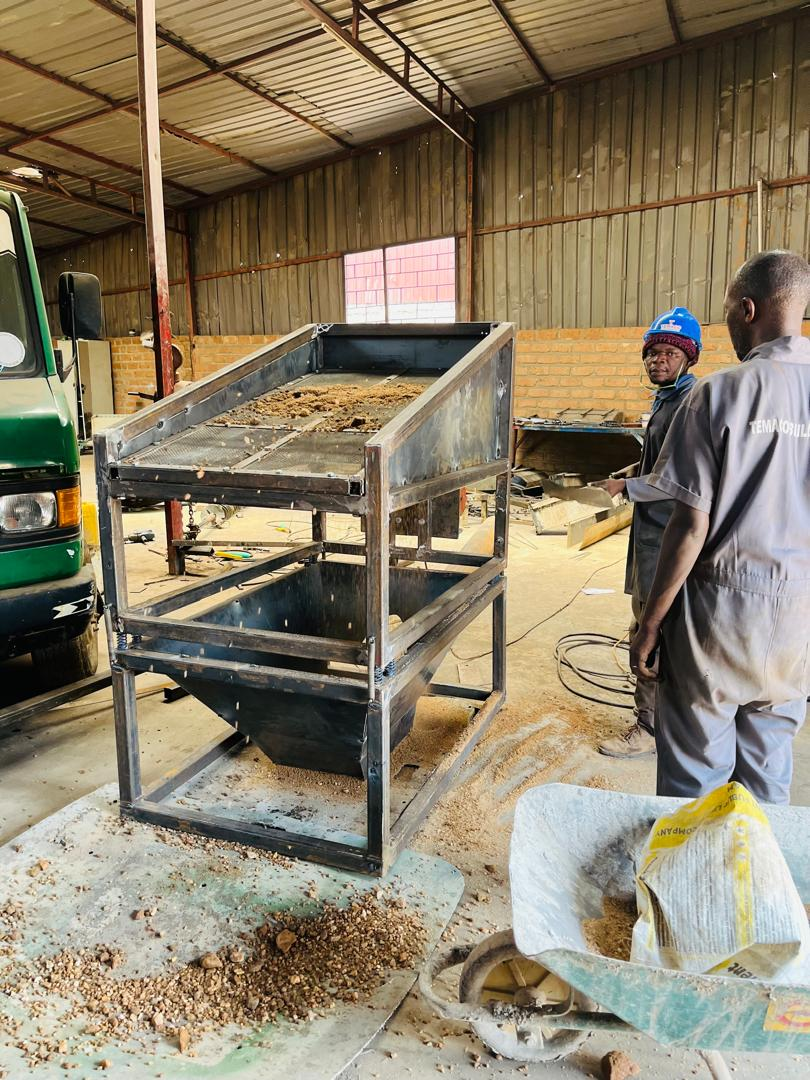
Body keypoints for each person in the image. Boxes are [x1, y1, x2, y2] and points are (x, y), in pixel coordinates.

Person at [630, 250, 810, 804]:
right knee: (767, 780)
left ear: (749, 309)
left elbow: (689, 526)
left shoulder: (720, 393)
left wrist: (651, 623)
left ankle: (688, 887)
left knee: (695, 780)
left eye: (730, 312)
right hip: (797, 620)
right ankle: (757, 885)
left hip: (719, 617)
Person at [595, 308, 702, 758]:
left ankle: (650, 729)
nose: (658, 360)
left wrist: (627, 487)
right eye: (653, 353)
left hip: (668, 538)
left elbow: (674, 478)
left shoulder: (689, 403)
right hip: (650, 536)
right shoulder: (665, 401)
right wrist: (630, 471)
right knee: (649, 624)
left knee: (652, 629)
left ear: (688, 358)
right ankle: (665, 722)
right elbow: (658, 462)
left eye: (669, 353)